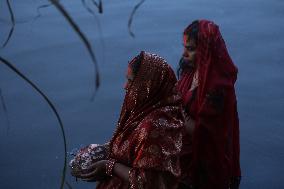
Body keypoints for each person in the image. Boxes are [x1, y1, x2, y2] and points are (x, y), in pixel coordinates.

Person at [73, 51, 185, 189]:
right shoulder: (145, 107)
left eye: (131, 81)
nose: (125, 86)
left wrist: (109, 167)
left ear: (147, 85)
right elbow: (131, 143)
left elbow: (149, 182)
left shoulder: (155, 127)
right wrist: (104, 149)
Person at [176, 20, 241, 189]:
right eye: (184, 47)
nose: (183, 54)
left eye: (190, 49)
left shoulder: (219, 88)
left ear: (206, 50)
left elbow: (206, 134)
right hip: (181, 152)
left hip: (205, 163)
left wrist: (178, 113)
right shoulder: (189, 70)